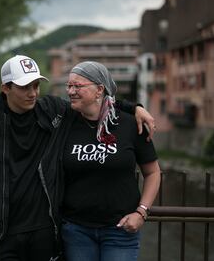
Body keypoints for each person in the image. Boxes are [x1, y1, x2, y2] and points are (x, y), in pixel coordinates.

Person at [0, 55, 156, 261]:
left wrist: (134, 107)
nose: (33, 93)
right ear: (6, 87)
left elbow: (96, 101)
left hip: (47, 228)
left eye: (36, 85)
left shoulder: (51, 110)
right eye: (25, 87)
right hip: (7, 229)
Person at [61, 61, 161, 261]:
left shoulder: (130, 124)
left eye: (77, 86)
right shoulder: (65, 121)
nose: (71, 91)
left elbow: (153, 173)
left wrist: (141, 212)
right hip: (76, 230)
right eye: (69, 85)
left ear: (99, 89)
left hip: (121, 230)